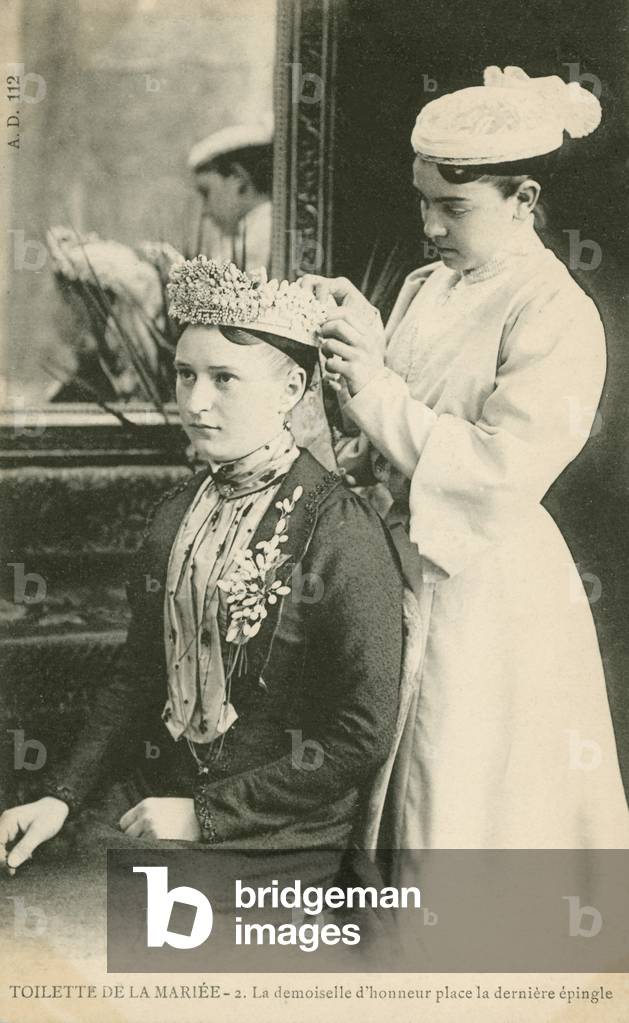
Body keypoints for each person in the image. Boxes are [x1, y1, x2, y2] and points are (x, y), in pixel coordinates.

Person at [302, 66, 629, 848]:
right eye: (424, 203)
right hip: (401, 554)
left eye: (453, 207)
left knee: (462, 766)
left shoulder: (553, 309)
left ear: (524, 201)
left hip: (485, 570)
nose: (433, 226)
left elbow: (499, 468)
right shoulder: (427, 285)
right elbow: (382, 425)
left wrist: (375, 386)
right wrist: (349, 353)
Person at [0, 258, 404, 873]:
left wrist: (207, 814)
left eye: (224, 379)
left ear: (292, 390)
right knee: (38, 885)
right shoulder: (176, 511)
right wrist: (62, 795)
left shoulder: (340, 528)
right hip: (156, 798)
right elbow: (137, 675)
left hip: (276, 834)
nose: (196, 402)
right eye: (185, 374)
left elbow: (360, 733)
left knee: (97, 931)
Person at [188, 119, 273, 272]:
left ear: (239, 179)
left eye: (206, 193)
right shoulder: (251, 234)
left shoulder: (258, 241)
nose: (205, 211)